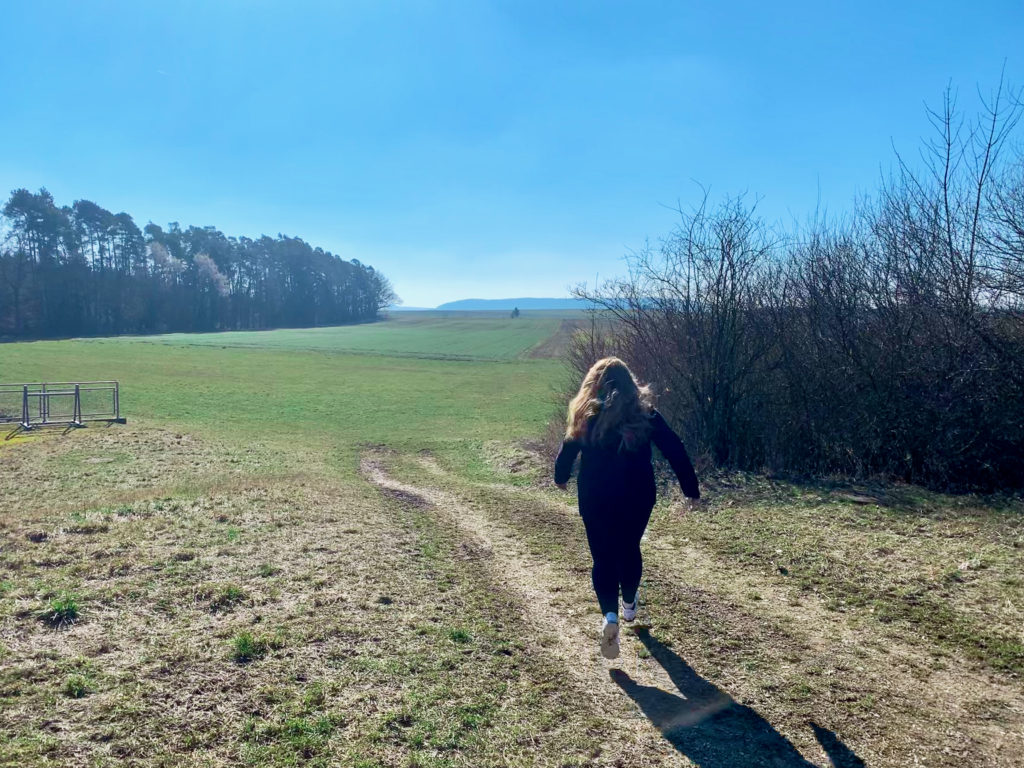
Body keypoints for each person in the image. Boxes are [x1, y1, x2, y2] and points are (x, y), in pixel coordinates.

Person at [554, 357, 700, 659]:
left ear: (593, 384)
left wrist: (560, 477)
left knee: (603, 558)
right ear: (630, 384)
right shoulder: (646, 414)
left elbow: (568, 449)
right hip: (637, 494)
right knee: (629, 549)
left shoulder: (586, 414)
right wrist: (690, 489)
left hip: (595, 496)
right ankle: (629, 604)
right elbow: (674, 447)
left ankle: (609, 617)